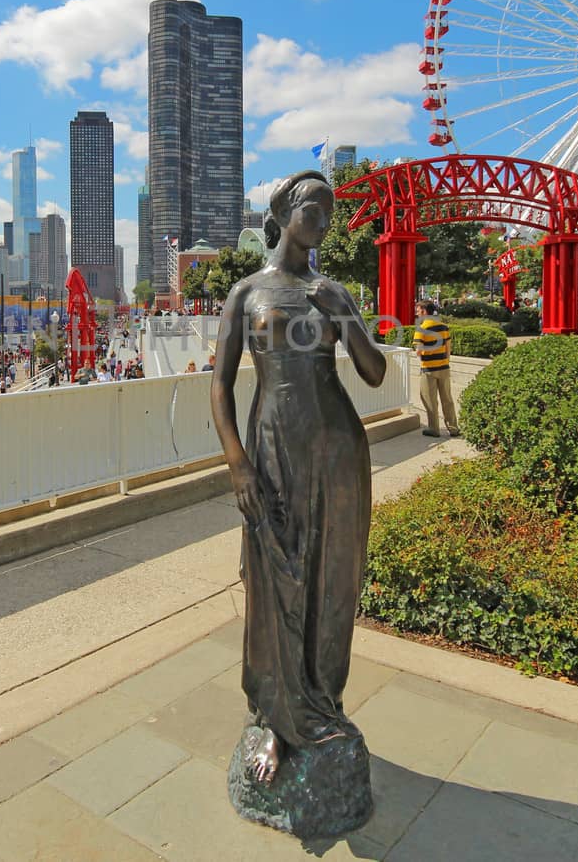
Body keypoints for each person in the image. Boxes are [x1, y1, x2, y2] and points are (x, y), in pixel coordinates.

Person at [210, 169, 386, 786]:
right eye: (313, 206)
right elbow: (221, 385)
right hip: (275, 446)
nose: (323, 219)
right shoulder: (248, 292)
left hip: (336, 449)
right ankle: (277, 719)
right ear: (283, 212)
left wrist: (346, 315)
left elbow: (372, 372)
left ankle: (323, 705)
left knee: (332, 581)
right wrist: (237, 462)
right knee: (275, 581)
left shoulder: (331, 290)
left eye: (330, 211)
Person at [413, 299, 457, 437]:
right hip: (444, 367)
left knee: (429, 399)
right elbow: (448, 348)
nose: (416, 313)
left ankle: (434, 428)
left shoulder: (422, 328)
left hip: (429, 370)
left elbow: (419, 350)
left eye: (418, 310)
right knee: (447, 399)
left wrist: (422, 354)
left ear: (424, 311)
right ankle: (453, 427)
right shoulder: (444, 326)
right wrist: (445, 361)